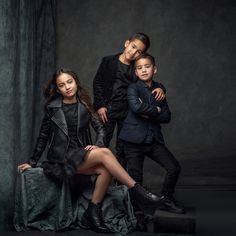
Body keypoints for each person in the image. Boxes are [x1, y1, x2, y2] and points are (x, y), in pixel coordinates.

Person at [18, 68, 162, 234]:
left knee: (104, 169)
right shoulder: (52, 108)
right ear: (58, 89)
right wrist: (32, 162)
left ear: (76, 82)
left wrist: (98, 143)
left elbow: (100, 128)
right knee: (105, 153)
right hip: (60, 160)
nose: (67, 87)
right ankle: (139, 192)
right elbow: (43, 137)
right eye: (62, 85)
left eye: (69, 82)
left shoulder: (84, 104)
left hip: (79, 154)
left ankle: (93, 212)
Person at [119, 53, 185, 230]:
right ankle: (137, 213)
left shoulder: (159, 89)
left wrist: (150, 110)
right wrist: (154, 109)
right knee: (135, 178)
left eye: (147, 66)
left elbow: (167, 116)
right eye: (139, 68)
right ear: (136, 72)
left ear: (154, 69)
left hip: (153, 139)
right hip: (132, 140)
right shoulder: (133, 88)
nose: (143, 70)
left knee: (174, 167)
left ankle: (166, 198)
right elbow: (136, 107)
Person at [93, 32, 165, 168]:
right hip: (107, 110)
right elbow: (98, 83)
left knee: (123, 148)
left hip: (127, 113)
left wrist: (161, 88)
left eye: (138, 52)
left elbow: (149, 81)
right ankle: (97, 180)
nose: (133, 53)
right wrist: (100, 105)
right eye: (133, 47)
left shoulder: (136, 68)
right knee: (101, 144)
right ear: (127, 43)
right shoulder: (108, 61)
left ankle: (119, 182)